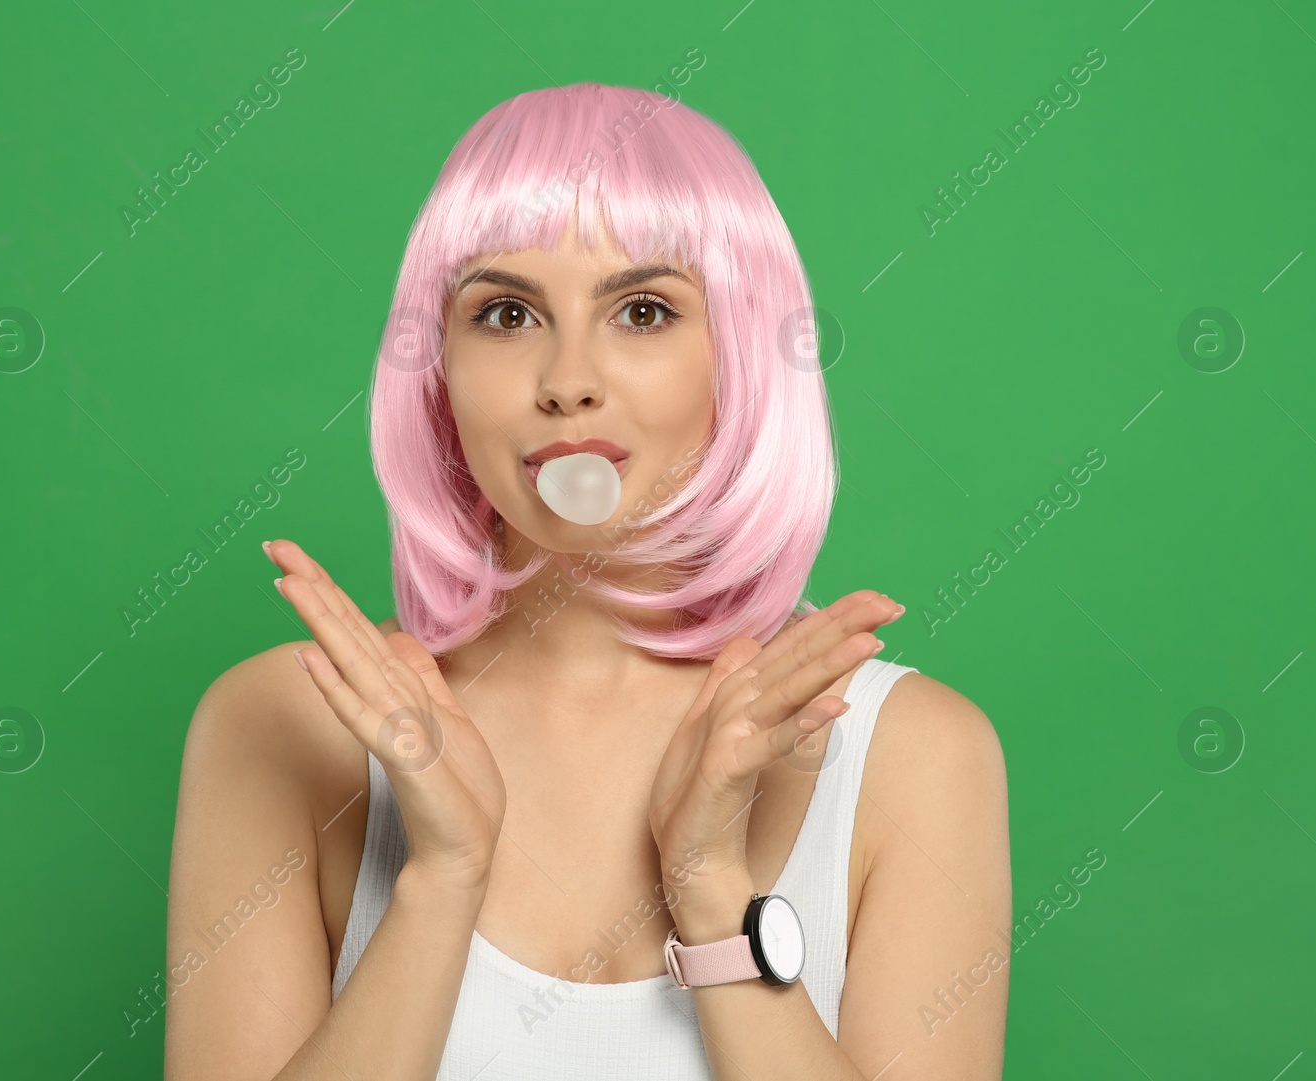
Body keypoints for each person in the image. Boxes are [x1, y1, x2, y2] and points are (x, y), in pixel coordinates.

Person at [164, 82, 1009, 1081]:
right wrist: (440, 881)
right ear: (438, 367)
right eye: (506, 312)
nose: (568, 377)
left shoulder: (915, 755)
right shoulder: (280, 725)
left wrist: (708, 887)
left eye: (642, 310)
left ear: (736, 355)